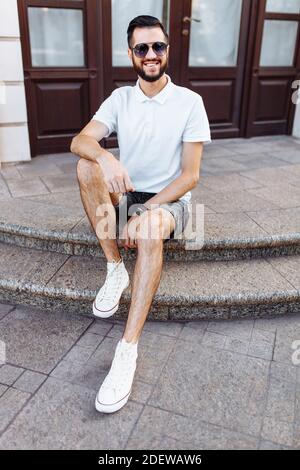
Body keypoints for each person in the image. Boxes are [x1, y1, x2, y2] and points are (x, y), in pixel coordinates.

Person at [70, 15, 211, 414]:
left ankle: (127, 349)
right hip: (128, 192)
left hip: (169, 202)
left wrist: (146, 210)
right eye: (142, 48)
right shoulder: (120, 99)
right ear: (130, 53)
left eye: (158, 47)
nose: (151, 55)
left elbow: (190, 176)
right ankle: (116, 267)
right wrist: (106, 158)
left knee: (149, 229)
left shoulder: (190, 102)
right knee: (85, 165)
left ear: (168, 50)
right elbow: (79, 140)